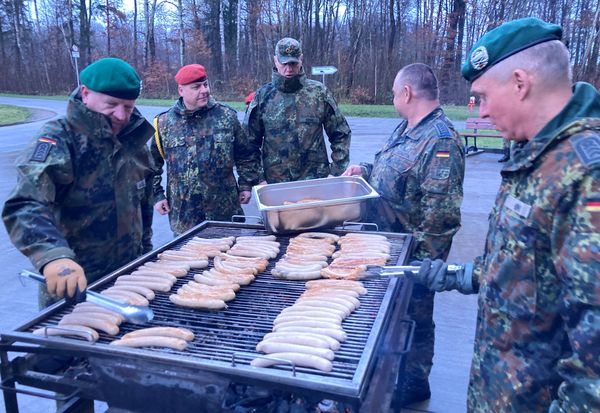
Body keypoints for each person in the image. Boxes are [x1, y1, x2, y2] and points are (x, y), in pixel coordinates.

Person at [410, 18, 600, 412]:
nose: (480, 112)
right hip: (501, 393)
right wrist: (460, 275)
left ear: (519, 83)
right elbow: (527, 261)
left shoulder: (585, 175)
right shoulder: (537, 155)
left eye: (481, 96)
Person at [342, 63, 465, 406]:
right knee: (394, 320)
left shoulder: (440, 139)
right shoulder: (408, 128)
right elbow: (391, 169)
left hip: (413, 255)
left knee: (416, 319)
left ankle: (413, 384)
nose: (393, 98)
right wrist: (363, 169)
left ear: (407, 93)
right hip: (388, 247)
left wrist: (421, 269)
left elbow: (440, 215)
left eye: (395, 92)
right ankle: (392, 375)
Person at [2, 57, 155, 309]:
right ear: (86, 94)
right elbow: (25, 203)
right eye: (112, 104)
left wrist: (146, 255)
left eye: (128, 107)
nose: (121, 115)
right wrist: (53, 256)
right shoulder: (60, 139)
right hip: (74, 286)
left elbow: (143, 203)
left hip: (130, 281)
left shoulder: (133, 142)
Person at [151, 64, 261, 235]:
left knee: (230, 258)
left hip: (225, 212)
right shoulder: (164, 124)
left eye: (205, 84)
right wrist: (157, 195)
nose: (204, 90)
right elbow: (151, 165)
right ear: (181, 90)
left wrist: (246, 184)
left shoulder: (226, 117)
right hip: (185, 216)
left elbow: (245, 155)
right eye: (196, 87)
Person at [244, 37, 351, 183]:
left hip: (315, 181)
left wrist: (336, 171)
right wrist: (258, 178)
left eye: (293, 63)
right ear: (275, 60)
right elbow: (248, 143)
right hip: (275, 183)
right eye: (284, 63)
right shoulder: (263, 96)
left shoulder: (318, 93)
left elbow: (341, 133)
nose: (289, 69)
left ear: (301, 59)